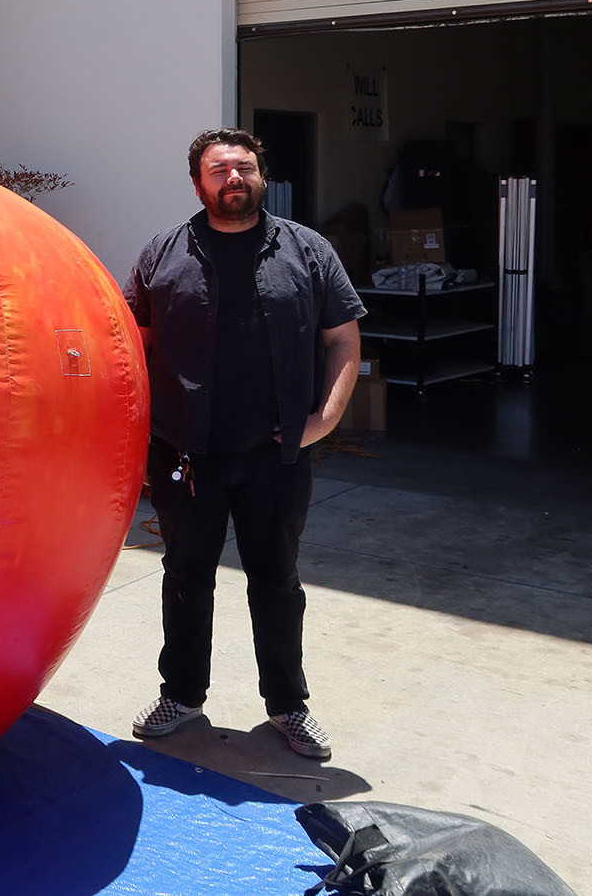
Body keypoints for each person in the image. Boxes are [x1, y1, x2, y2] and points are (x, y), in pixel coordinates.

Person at [122, 128, 364, 759]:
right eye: (218, 169)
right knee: (185, 575)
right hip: (185, 452)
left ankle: (288, 705)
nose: (233, 178)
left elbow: (342, 338)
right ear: (198, 181)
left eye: (245, 168)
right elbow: (133, 342)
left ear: (262, 177)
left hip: (275, 454)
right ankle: (181, 693)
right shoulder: (162, 252)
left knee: (277, 581)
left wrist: (325, 419)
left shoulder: (307, 250)